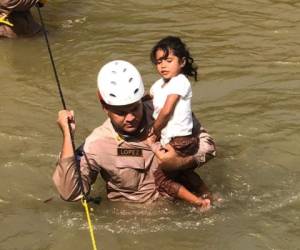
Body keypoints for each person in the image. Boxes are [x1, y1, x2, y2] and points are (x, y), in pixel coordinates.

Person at [53, 60, 216, 205]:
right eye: (121, 112)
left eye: (135, 108)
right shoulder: (97, 144)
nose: (130, 118)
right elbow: (71, 193)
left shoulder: (166, 112)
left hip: (184, 205)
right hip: (134, 221)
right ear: (104, 106)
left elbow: (208, 146)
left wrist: (182, 162)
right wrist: (67, 135)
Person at [147, 36, 213, 207]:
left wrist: (154, 131)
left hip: (181, 140)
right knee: (183, 172)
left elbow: (167, 111)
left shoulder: (179, 81)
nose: (162, 65)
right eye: (159, 61)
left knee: (162, 179)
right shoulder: (159, 84)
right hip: (175, 140)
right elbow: (149, 95)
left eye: (169, 60)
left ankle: (199, 202)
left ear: (182, 62)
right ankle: (209, 195)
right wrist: (136, 99)